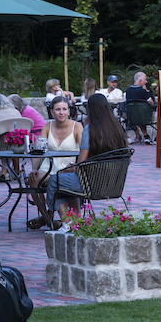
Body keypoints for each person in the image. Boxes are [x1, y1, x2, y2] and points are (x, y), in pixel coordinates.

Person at [38, 94, 128, 231]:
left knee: (56, 180)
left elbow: (80, 165)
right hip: (113, 183)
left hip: (91, 183)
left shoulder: (90, 130)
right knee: (64, 181)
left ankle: (67, 223)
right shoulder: (118, 129)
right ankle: (75, 221)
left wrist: (69, 169)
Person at [26, 95, 84, 230]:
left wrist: (76, 166)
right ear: (52, 112)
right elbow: (39, 150)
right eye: (58, 109)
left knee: (59, 181)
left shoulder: (77, 126)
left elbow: (83, 150)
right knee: (33, 180)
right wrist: (34, 169)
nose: (61, 112)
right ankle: (48, 219)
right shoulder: (47, 126)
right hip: (49, 166)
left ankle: (50, 217)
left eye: (64, 109)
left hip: (68, 167)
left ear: (69, 111)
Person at [124, 71, 156, 143]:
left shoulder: (128, 90)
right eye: (145, 80)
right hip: (144, 117)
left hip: (132, 117)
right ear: (141, 80)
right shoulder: (142, 91)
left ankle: (145, 136)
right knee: (142, 112)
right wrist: (147, 91)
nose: (146, 81)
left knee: (139, 113)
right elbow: (152, 103)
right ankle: (150, 137)